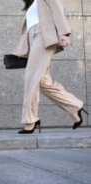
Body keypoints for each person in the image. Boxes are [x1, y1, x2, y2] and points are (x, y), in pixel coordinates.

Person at [13, 0, 88, 134]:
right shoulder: (32, 2)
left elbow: (57, 10)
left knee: (31, 78)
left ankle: (30, 120)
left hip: (44, 36)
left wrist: (64, 33)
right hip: (34, 37)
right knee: (43, 81)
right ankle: (74, 106)